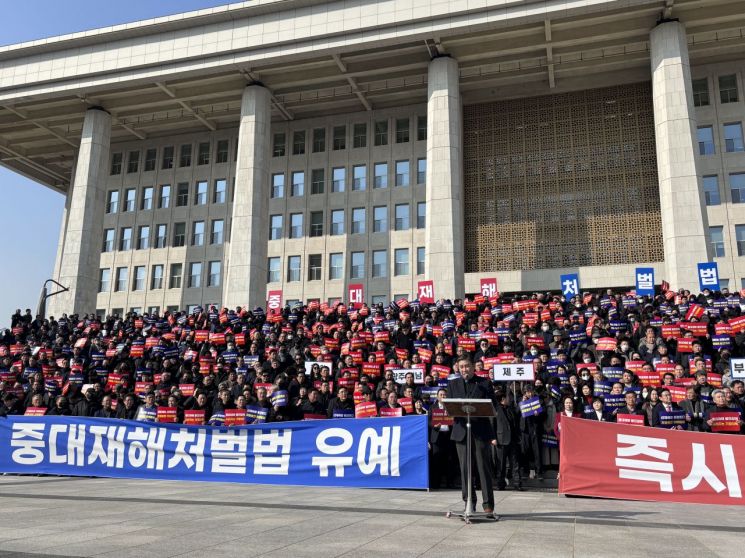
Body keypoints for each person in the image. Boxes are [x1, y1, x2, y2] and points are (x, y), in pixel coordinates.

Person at [446, 358, 497, 518]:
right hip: (462, 431)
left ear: (473, 367)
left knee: (483, 468)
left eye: (467, 366)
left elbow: (493, 406)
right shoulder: (453, 384)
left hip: (480, 431)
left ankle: (488, 505)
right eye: (461, 367)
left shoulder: (484, 383)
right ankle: (469, 502)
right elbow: (450, 408)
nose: (464, 369)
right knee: (465, 469)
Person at [495, 391, 523, 491]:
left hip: (513, 440)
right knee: (501, 464)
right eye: (507, 398)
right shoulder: (496, 409)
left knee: (515, 463)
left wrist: (522, 403)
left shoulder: (510, 409)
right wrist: (493, 438)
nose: (509, 399)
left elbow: (516, 418)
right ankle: (500, 484)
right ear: (502, 399)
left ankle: (517, 484)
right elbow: (492, 424)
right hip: (501, 440)